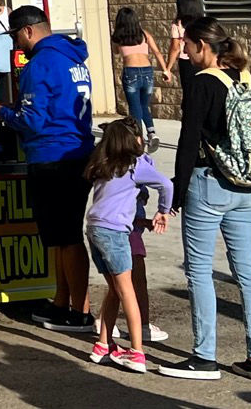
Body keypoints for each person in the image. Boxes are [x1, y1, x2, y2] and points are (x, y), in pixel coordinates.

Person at [159, 18, 251, 383]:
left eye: (188, 47)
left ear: (202, 46)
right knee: (248, 272)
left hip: (208, 184)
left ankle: (204, 357)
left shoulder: (202, 84)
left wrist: (176, 191)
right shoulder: (248, 79)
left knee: (199, 271)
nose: (186, 55)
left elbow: (189, 140)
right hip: (247, 186)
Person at [0, 5, 95, 335]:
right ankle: (63, 303)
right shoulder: (74, 58)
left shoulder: (40, 64)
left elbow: (33, 120)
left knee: (67, 237)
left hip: (52, 157)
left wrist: (1, 113)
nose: (16, 44)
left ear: (30, 31)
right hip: (78, 153)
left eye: (16, 36)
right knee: (62, 237)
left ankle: (81, 311)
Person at [82, 119, 173, 374]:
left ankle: (102, 344)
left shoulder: (102, 164)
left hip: (95, 229)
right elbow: (167, 185)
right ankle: (137, 352)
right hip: (113, 234)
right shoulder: (134, 166)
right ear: (134, 142)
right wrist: (163, 211)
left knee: (114, 289)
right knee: (127, 290)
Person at [111, 8, 168, 151]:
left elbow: (116, 52)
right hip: (147, 71)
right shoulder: (145, 35)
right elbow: (157, 51)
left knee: (134, 107)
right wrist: (165, 69)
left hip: (130, 72)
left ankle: (138, 139)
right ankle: (152, 133)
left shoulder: (118, 38)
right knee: (144, 105)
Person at [162, 0, 207, 88]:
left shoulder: (178, 24)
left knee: (189, 90)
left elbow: (175, 47)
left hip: (187, 61)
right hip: (203, 59)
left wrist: (168, 68)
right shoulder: (202, 21)